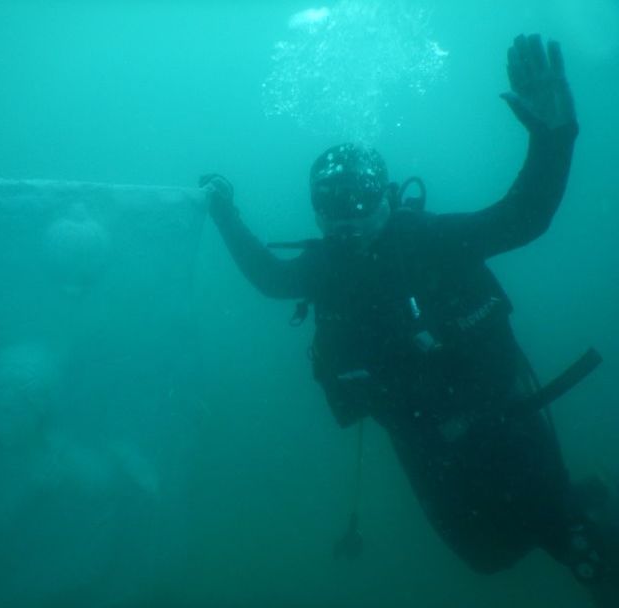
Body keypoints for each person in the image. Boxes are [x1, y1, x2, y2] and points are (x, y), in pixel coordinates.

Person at [200, 34, 618, 606]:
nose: (344, 219)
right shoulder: (324, 269)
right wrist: (224, 213)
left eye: (358, 200)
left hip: (500, 419)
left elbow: (525, 217)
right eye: (329, 204)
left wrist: (553, 134)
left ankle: (589, 527)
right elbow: (271, 279)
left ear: (387, 198)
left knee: (565, 535)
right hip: (420, 442)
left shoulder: (431, 242)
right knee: (487, 558)